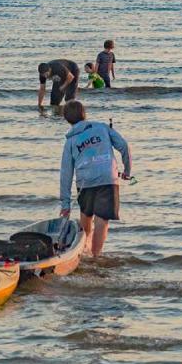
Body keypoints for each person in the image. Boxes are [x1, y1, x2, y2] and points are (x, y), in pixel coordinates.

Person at [57, 101, 131, 257]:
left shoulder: (70, 142)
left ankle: (84, 251)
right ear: (84, 113)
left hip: (85, 181)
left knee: (86, 215)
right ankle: (95, 257)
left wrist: (65, 204)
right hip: (107, 177)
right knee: (102, 219)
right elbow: (123, 146)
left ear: (67, 120)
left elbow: (66, 173)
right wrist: (127, 170)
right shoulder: (102, 127)